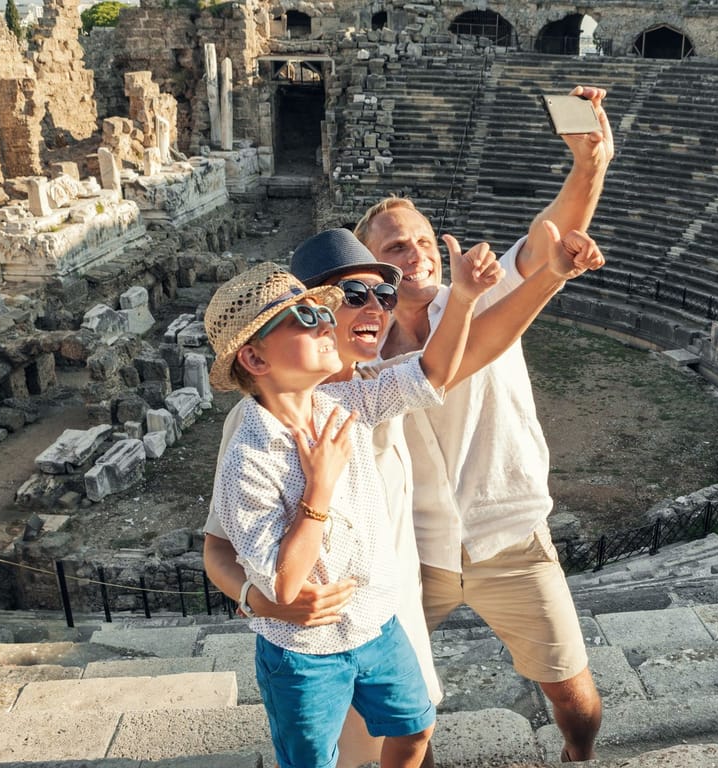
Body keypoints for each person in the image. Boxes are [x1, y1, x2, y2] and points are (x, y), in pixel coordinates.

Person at [208, 85, 614, 764]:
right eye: (369, 278)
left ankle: (579, 754)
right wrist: (263, 598)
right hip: (392, 576)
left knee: (555, 697)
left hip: (499, 534)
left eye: (422, 245)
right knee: (383, 734)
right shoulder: (303, 405)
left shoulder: (406, 361)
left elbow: (517, 282)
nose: (412, 261)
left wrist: (588, 170)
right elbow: (220, 546)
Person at [203, 233, 500, 768]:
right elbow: (285, 583)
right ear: (254, 356)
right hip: (305, 651)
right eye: (309, 320)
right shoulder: (248, 454)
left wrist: (463, 297)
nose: (326, 326)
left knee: (416, 728)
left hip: (376, 622)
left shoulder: (346, 399)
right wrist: (319, 489)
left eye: (324, 314)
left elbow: (433, 372)